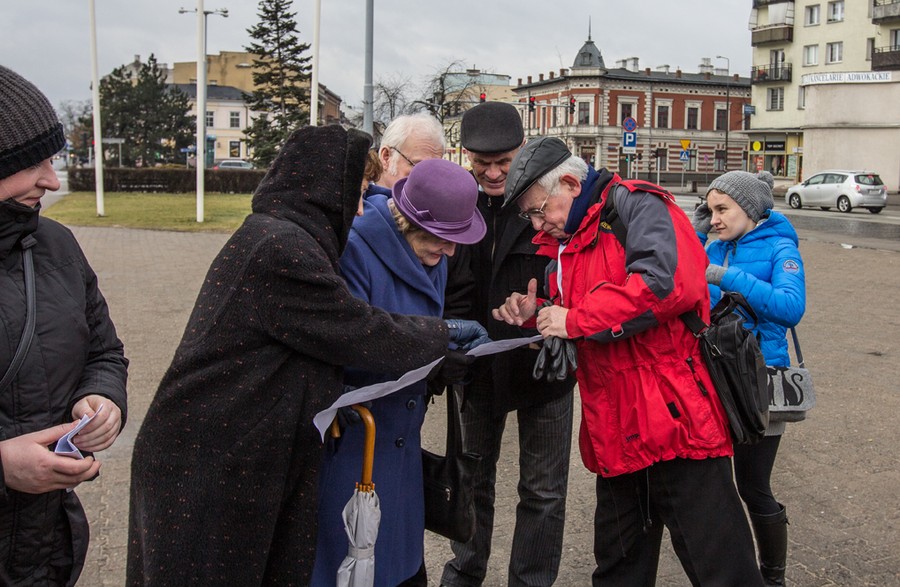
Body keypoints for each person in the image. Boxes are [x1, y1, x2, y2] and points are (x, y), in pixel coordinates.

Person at [126, 125, 487, 586]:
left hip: (228, 447)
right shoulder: (284, 249)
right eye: (355, 193)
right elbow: (357, 331)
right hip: (208, 458)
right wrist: (445, 334)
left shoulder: (282, 236)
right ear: (321, 189)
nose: (361, 207)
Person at [494, 136, 764, 586]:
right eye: (530, 216)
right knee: (620, 568)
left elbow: (669, 285)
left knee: (721, 566)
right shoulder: (570, 238)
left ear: (569, 183)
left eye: (540, 210)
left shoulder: (637, 206)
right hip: (615, 426)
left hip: (674, 420)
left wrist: (574, 319)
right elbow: (584, 315)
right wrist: (536, 319)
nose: (539, 224)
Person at [312, 158, 488, 587]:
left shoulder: (433, 254)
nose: (449, 252)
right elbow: (346, 346)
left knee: (401, 565)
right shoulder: (355, 249)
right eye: (442, 239)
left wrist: (446, 359)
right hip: (356, 443)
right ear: (408, 219)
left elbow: (424, 328)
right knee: (351, 564)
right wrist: (429, 358)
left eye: (455, 241)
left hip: (401, 441)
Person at [0, 65, 129, 586]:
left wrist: (101, 400)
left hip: (44, 551)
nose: (52, 181)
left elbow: (105, 352)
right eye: (33, 164)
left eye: (51, 160)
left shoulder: (56, 245)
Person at [440, 103, 575, 587]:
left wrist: (551, 312)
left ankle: (531, 582)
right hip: (477, 369)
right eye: (482, 163)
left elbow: (581, 275)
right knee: (472, 480)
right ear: (467, 157)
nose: (494, 173)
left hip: (547, 367)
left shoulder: (552, 197)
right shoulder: (459, 203)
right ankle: (463, 574)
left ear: (522, 151)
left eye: (504, 161)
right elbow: (446, 286)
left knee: (543, 492)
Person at [693, 170, 806, 586]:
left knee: (753, 485)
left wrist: (726, 277)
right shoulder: (713, 244)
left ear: (752, 209)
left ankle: (771, 577)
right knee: (714, 485)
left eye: (723, 209)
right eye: (711, 209)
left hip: (762, 380)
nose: (715, 218)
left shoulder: (781, 247)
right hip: (715, 377)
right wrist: (700, 241)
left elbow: (791, 307)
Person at [365, 112, 446, 200]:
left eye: (435, 169)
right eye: (419, 166)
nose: (429, 179)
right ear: (386, 157)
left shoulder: (438, 207)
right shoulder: (355, 204)